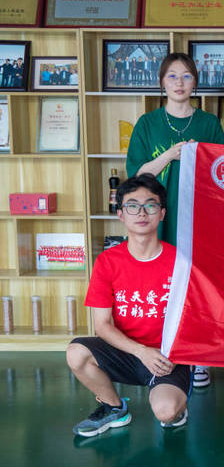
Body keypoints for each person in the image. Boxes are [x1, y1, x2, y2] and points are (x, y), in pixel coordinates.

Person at [125, 53, 224, 388]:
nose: (179, 83)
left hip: (199, 216)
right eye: (172, 76)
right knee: (162, 283)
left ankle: (198, 357)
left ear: (195, 82)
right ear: (161, 82)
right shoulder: (147, 123)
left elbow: (223, 172)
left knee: (197, 284)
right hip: (157, 217)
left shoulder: (209, 124)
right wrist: (170, 155)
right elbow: (137, 174)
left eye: (186, 76)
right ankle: (163, 354)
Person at [66, 174, 191, 437]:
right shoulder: (107, 261)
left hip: (168, 357)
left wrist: (176, 355)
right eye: (133, 206)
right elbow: (102, 325)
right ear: (121, 215)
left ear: (162, 213)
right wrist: (141, 352)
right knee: (76, 352)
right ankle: (114, 408)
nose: (142, 212)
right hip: (127, 351)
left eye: (150, 205)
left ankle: (177, 402)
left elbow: (195, 319)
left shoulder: (182, 261)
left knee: (166, 412)